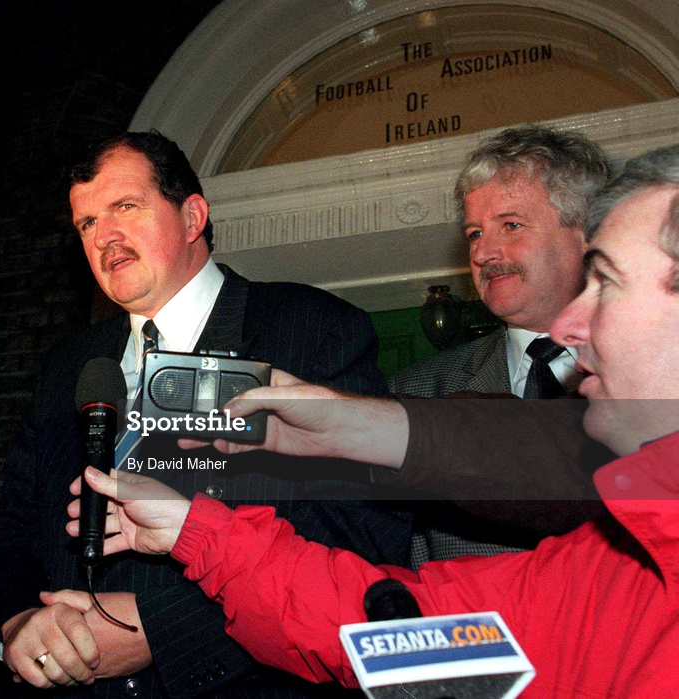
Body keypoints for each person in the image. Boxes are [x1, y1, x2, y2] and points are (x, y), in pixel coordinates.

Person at [67, 143, 679, 697]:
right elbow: (396, 632)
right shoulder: (615, 578)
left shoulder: (622, 567)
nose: (574, 326)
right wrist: (193, 531)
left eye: (609, 283)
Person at [0, 130, 411, 697]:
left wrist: (163, 627)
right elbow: (11, 528)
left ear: (192, 217)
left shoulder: (307, 330)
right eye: (86, 224)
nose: (104, 235)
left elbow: (359, 535)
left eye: (125, 207)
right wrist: (17, 624)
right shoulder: (70, 366)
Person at [386, 126, 613, 560]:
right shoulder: (414, 396)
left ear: (588, 234)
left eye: (510, 225)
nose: (483, 253)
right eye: (474, 233)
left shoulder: (656, 379)